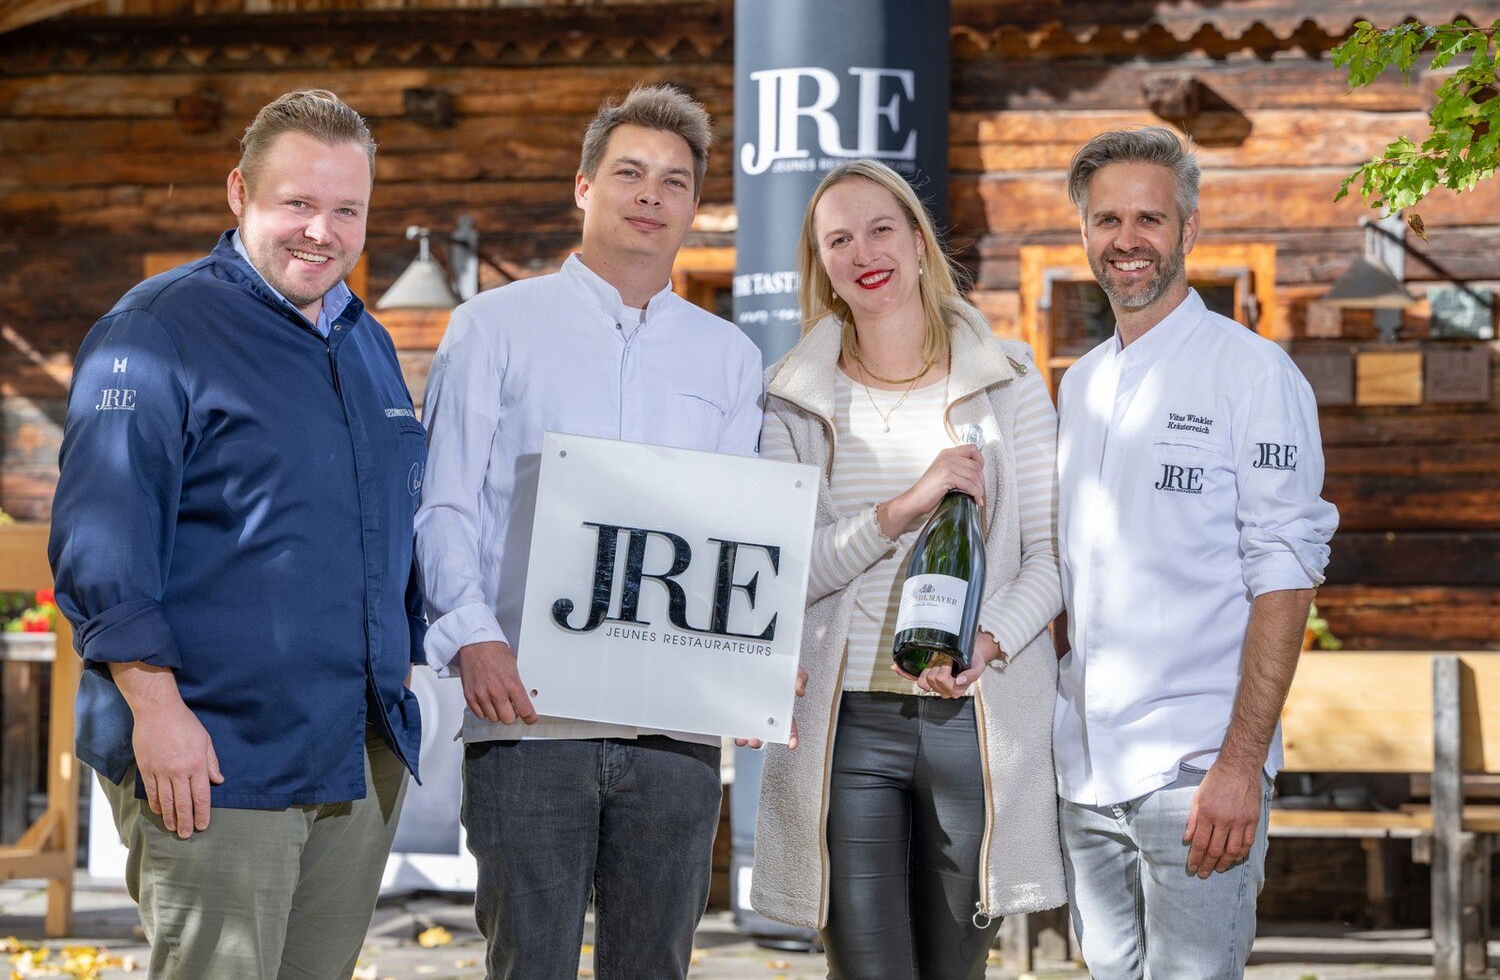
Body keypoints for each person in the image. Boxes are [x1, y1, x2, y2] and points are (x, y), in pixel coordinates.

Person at [49, 89, 426, 980]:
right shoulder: (154, 330)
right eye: (297, 203)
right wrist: (158, 709)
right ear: (238, 194)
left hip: (355, 754)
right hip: (214, 757)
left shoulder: (365, 341)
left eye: (346, 210)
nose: (320, 232)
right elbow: (102, 540)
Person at [414, 84, 763, 980]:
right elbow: (443, 503)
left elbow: (733, 535)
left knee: (655, 966)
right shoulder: (490, 327)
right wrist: (472, 637)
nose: (651, 194)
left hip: (673, 731)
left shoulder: (727, 357)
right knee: (529, 964)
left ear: (694, 206)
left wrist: (750, 668)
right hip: (527, 718)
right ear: (583, 187)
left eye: (675, 181)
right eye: (630, 173)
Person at [747, 159, 1067, 979]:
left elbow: (1047, 558)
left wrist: (988, 642)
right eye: (839, 240)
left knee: (954, 969)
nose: (864, 253)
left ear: (920, 244)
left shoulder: (1011, 381)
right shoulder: (791, 399)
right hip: (844, 728)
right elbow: (789, 570)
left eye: (881, 229)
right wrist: (905, 505)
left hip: (976, 720)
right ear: (821, 268)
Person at [1053, 126, 1339, 979]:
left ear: (1188, 229)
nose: (1127, 240)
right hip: (1087, 775)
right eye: (1108, 220)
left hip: (1194, 773)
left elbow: (1286, 572)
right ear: (1086, 232)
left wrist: (1240, 764)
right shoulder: (1080, 383)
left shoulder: (1254, 373)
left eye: (1149, 218)